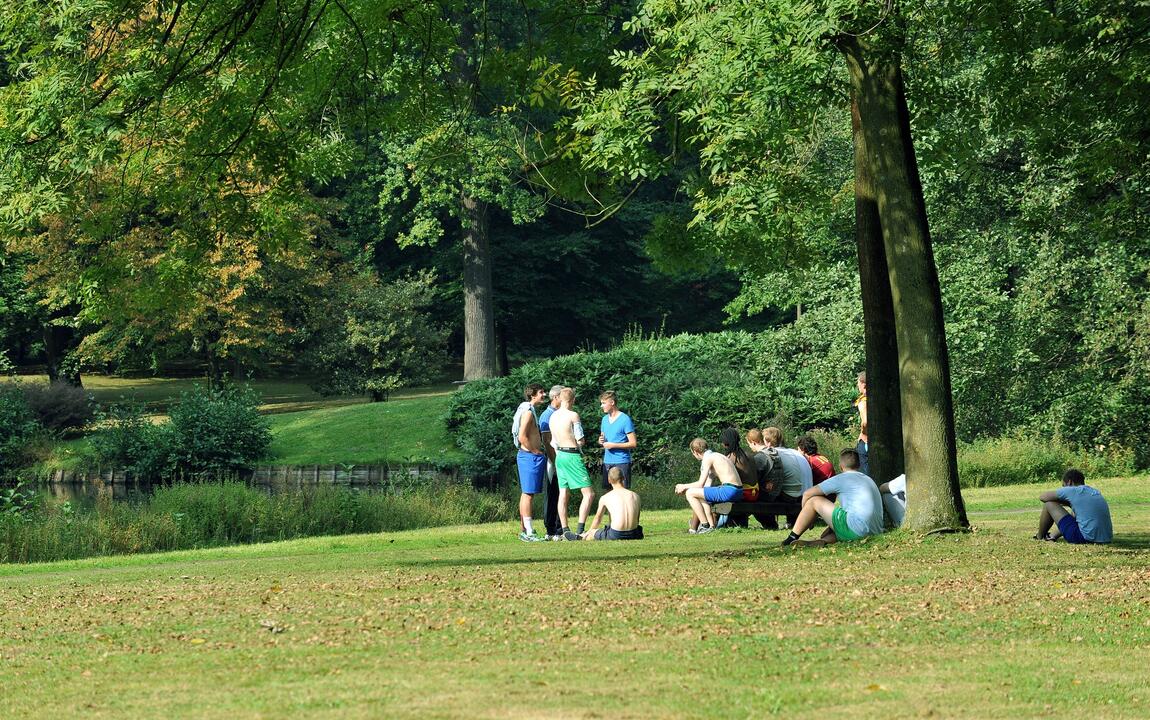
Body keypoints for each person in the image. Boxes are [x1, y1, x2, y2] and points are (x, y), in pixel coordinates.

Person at [781, 448, 884, 547]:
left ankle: (792, 538)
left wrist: (808, 520)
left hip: (856, 528)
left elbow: (807, 494)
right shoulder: (869, 479)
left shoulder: (842, 478)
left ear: (840, 466)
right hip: (875, 531)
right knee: (826, 533)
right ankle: (823, 541)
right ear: (859, 465)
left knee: (814, 500)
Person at [549, 388, 596, 540]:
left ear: (560, 398)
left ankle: (565, 529)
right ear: (573, 400)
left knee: (563, 493)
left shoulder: (553, 416)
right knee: (589, 494)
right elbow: (580, 438)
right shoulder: (573, 415)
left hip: (559, 456)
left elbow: (553, 441)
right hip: (572, 455)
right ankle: (580, 529)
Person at [676, 438, 742, 534]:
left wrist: (683, 486)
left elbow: (700, 483)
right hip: (738, 491)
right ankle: (710, 526)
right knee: (699, 494)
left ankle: (704, 525)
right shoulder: (717, 455)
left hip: (729, 490)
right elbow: (705, 487)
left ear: (695, 451)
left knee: (690, 493)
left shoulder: (707, 459)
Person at [1035, 468, 1113, 544]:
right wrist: (1069, 503)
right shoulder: (1094, 491)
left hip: (1084, 538)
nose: (1063, 488)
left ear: (1069, 482)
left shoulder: (1072, 490)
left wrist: (1063, 501)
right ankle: (1052, 536)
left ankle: (1040, 536)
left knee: (1049, 504)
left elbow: (1043, 497)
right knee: (1074, 514)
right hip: (1105, 539)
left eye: (1063, 486)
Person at [512, 383, 549, 542]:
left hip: (527, 457)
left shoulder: (527, 409)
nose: (544, 394)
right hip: (529, 457)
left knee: (527, 494)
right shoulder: (527, 412)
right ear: (532, 395)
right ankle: (529, 532)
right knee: (528, 494)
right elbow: (522, 437)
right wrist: (535, 451)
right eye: (541, 392)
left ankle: (524, 530)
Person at [582, 466, 643, 541]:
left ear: (609, 480)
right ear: (623, 478)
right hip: (635, 534)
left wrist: (590, 531)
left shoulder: (605, 497)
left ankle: (582, 537)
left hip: (616, 534)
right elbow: (637, 519)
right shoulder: (635, 496)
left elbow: (598, 519)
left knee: (593, 533)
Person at [538, 385, 566, 541]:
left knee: (561, 493)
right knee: (552, 493)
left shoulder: (560, 414)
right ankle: (552, 528)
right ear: (556, 398)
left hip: (561, 458)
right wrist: (555, 462)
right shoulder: (547, 416)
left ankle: (560, 526)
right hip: (553, 460)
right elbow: (547, 442)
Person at [717, 427, 759, 529]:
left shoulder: (730, 458)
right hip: (755, 492)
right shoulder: (748, 454)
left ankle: (710, 525)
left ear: (725, 443)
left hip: (744, 494)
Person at [598, 390, 637, 489]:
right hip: (607, 461)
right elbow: (602, 438)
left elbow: (633, 443)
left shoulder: (625, 419)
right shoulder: (604, 419)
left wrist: (613, 445)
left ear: (612, 402)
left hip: (622, 461)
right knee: (608, 493)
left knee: (622, 493)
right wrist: (600, 441)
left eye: (603, 403)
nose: (601, 406)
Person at [854, 371, 870, 477]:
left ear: (863, 384)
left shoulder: (863, 401)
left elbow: (865, 421)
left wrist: (864, 434)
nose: (857, 385)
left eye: (858, 383)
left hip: (865, 442)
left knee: (864, 474)